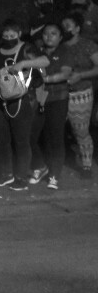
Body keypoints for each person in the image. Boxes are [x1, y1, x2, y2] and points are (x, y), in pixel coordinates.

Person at [0, 19, 49, 190]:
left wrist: (23, 63)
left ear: (19, 34)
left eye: (12, 35)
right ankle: (6, 174)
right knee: (2, 139)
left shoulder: (26, 48)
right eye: (5, 35)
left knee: (22, 140)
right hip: (1, 99)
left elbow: (44, 61)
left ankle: (21, 176)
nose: (8, 38)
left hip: (22, 99)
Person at [29, 22, 71, 190]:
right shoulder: (37, 51)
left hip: (58, 98)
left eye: (53, 33)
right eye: (46, 33)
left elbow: (65, 73)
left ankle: (54, 175)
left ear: (60, 37)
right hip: (39, 99)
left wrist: (46, 79)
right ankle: (40, 166)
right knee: (31, 135)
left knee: (55, 137)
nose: (48, 36)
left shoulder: (64, 51)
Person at [61, 13, 98, 178]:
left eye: (68, 25)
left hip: (80, 93)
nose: (64, 29)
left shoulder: (87, 45)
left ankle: (86, 166)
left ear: (77, 28)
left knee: (81, 131)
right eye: (62, 26)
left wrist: (81, 75)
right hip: (59, 93)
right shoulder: (58, 46)